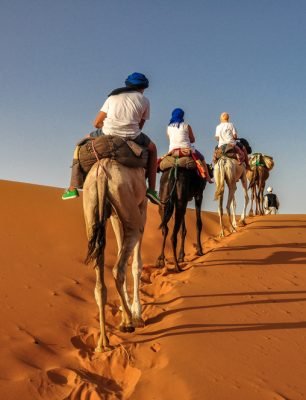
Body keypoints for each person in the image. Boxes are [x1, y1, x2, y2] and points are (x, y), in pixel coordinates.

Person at [62, 72, 161, 205]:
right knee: (153, 149)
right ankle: (152, 190)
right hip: (132, 135)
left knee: (79, 145)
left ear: (127, 84)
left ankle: (73, 187)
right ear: (143, 88)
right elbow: (140, 126)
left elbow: (96, 123)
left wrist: (110, 126)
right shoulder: (145, 101)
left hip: (107, 132)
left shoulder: (112, 97)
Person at [166, 108, 213, 183]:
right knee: (202, 159)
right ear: (182, 116)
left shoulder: (168, 128)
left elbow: (170, 139)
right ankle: (208, 178)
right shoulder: (186, 126)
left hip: (173, 151)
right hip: (186, 150)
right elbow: (193, 140)